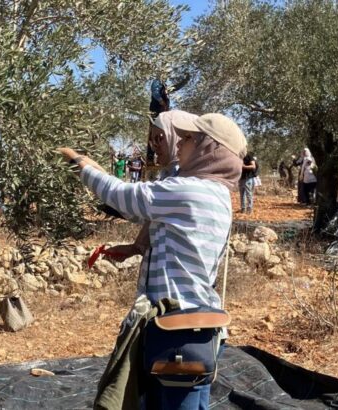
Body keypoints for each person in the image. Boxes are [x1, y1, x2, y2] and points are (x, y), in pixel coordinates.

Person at [59, 112, 246, 410]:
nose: (179, 144)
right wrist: (137, 247)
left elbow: (121, 195)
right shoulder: (214, 193)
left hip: (177, 332)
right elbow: (144, 209)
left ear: (209, 148)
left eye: (188, 138)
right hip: (194, 329)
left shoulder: (190, 191)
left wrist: (76, 161)